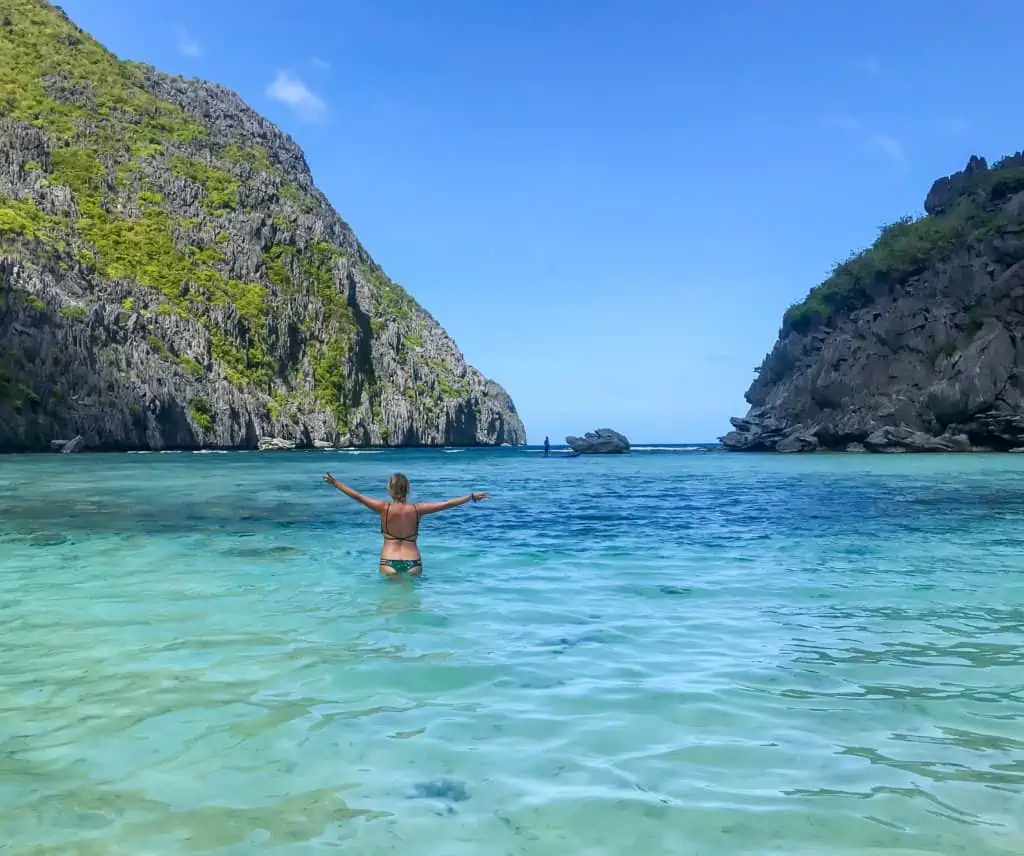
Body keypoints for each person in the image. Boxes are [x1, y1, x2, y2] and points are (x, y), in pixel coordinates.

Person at [322, 471, 490, 577]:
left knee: (389, 604)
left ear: (389, 490)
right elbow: (446, 503)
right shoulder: (417, 509)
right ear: (407, 489)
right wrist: (471, 497)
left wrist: (336, 483)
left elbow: (357, 496)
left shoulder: (383, 508)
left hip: (388, 561)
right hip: (413, 562)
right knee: (411, 604)